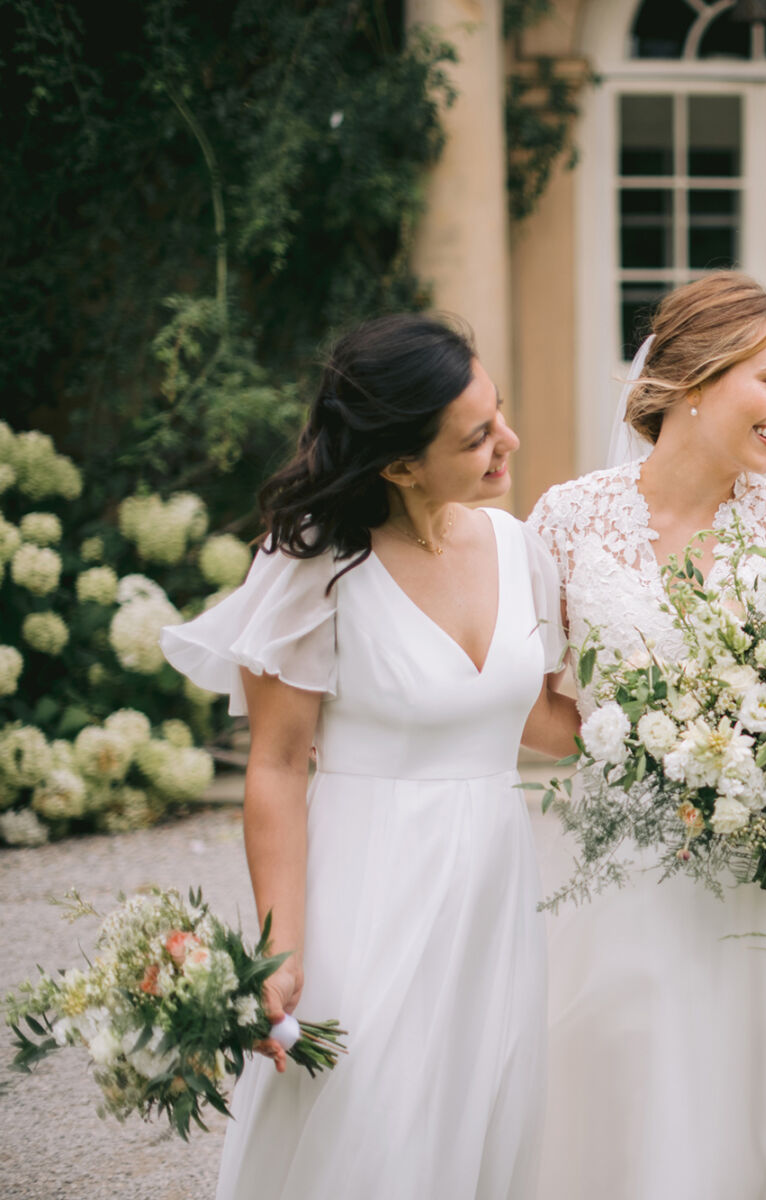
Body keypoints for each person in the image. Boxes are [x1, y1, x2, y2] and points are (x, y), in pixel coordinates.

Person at [161, 314, 577, 1198]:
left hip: (494, 886)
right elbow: (275, 764)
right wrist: (280, 946)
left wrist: (685, 735)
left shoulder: (517, 547)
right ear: (397, 464)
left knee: (481, 1109)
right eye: (476, 437)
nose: (508, 442)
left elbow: (537, 716)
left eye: (497, 413)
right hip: (372, 880)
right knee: (370, 1122)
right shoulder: (314, 564)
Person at [528, 272, 766, 1200]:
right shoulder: (567, 517)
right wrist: (635, 743)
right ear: (691, 378)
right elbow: (527, 702)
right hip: (619, 863)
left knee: (759, 1091)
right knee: (627, 1075)